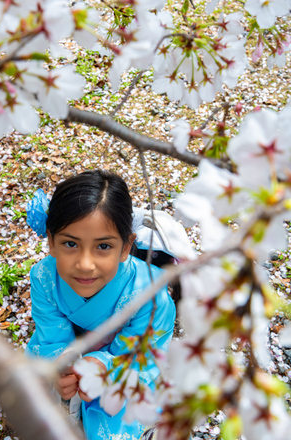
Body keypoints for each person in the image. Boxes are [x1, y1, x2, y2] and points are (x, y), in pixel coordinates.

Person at [25, 170, 176, 440]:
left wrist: (102, 365)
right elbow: (51, 335)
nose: (85, 264)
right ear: (50, 241)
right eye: (70, 243)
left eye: (103, 246)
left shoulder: (151, 295)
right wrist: (62, 368)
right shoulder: (44, 278)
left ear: (127, 246)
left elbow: (143, 354)